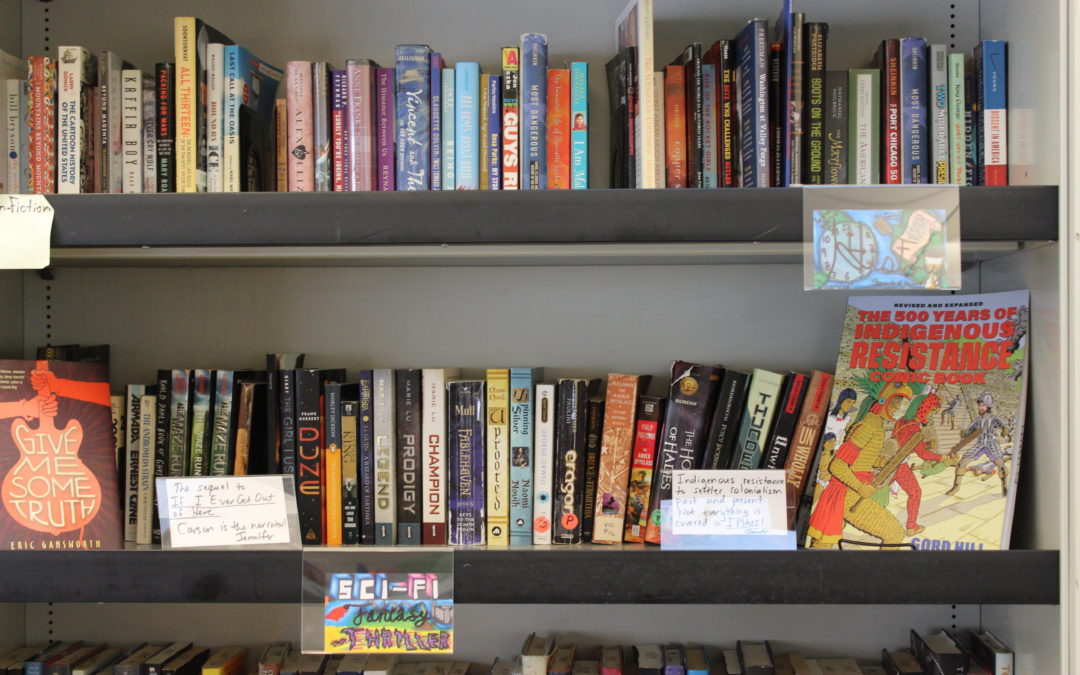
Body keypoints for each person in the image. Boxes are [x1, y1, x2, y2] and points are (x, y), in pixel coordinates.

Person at [806, 382, 910, 549]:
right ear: (884, 400)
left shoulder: (876, 424)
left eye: (901, 402)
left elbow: (859, 460)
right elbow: (837, 465)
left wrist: (879, 462)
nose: (898, 406)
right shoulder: (868, 426)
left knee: (822, 544)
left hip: (849, 489)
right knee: (895, 533)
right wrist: (859, 487)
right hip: (848, 493)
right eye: (896, 400)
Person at [946, 391, 1009, 497]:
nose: (980, 407)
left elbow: (1004, 427)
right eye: (980, 405)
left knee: (1001, 465)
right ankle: (955, 487)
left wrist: (1004, 431)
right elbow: (968, 433)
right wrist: (963, 433)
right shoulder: (977, 420)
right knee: (962, 463)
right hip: (980, 444)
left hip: (991, 444)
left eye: (983, 405)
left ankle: (1004, 487)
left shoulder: (994, 419)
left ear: (988, 406)